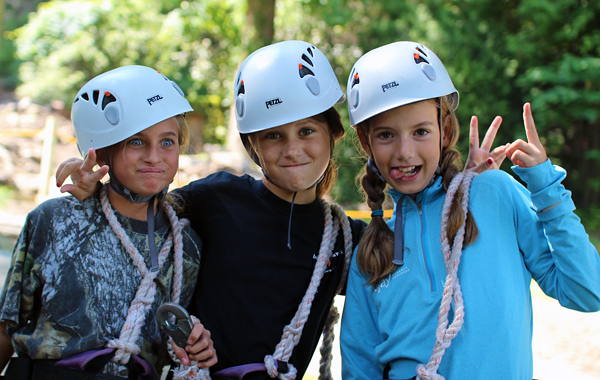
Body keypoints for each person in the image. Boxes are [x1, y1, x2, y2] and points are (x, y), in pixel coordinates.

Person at [55, 41, 364, 380]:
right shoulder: (217, 198)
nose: (292, 149)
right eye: (274, 135)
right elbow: (142, 213)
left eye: (306, 131)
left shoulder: (344, 239)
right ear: (253, 145)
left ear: (334, 134)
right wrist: (95, 191)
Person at [340, 41, 600, 380]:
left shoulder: (495, 194)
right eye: (387, 135)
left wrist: (547, 190)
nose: (405, 151)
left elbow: (586, 290)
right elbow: (359, 365)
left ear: (444, 130)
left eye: (421, 131)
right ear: (366, 142)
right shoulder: (370, 253)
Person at [0, 65, 217, 380]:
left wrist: (196, 346)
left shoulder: (186, 248)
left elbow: (169, 346)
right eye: (137, 142)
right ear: (103, 152)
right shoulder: (54, 221)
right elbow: (7, 327)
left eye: (167, 142)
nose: (154, 156)